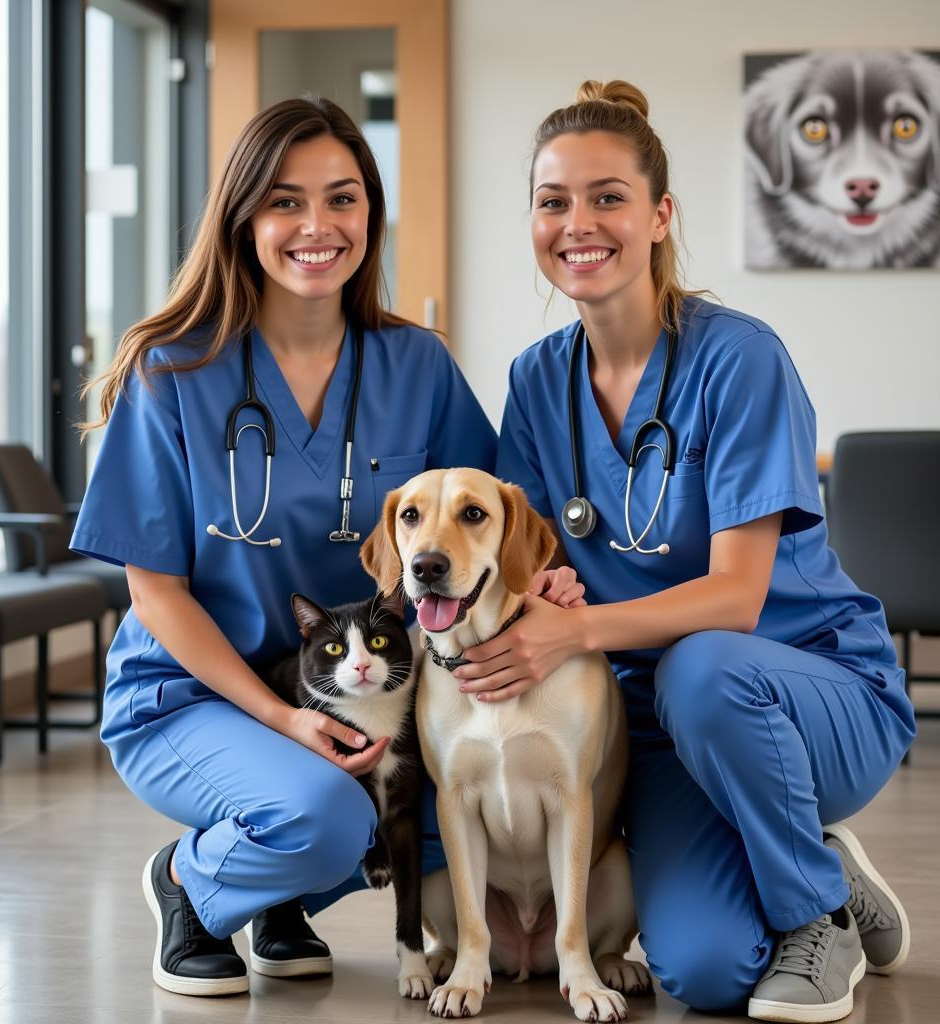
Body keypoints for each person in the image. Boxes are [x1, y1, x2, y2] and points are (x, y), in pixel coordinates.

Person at [452, 80, 916, 1023]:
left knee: (704, 668)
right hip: (659, 725)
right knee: (705, 972)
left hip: (811, 693)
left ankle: (817, 911)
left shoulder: (738, 360)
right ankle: (813, 858)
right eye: (552, 202)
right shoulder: (536, 383)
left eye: (607, 197)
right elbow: (527, 561)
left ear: (660, 215)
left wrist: (574, 634)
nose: (578, 223)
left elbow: (735, 599)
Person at [72, 96, 498, 997]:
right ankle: (192, 883)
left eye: (343, 199)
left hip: (360, 691)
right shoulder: (171, 369)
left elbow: (487, 525)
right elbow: (156, 595)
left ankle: (274, 894)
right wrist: (282, 722)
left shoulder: (416, 366)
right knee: (332, 818)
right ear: (243, 218)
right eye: (285, 201)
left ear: (370, 215)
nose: (317, 226)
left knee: (440, 812)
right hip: (194, 696)